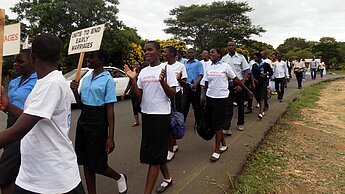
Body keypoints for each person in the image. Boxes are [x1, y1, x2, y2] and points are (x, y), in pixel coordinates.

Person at [0, 33, 84, 193]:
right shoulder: (46, 82)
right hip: (33, 176)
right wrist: (9, 106)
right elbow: (31, 118)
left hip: (52, 180)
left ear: (33, 56)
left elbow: (18, 130)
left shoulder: (51, 84)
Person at [70, 49, 128, 194]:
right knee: (85, 161)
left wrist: (111, 136)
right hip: (84, 120)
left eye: (91, 57)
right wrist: (75, 92)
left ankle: (119, 177)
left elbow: (110, 109)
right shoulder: (86, 78)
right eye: (88, 57)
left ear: (101, 60)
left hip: (98, 122)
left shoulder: (107, 80)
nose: (88, 59)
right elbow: (82, 105)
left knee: (97, 164)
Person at [124, 41, 178, 194]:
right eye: (145, 50)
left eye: (150, 50)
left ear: (158, 51)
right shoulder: (143, 72)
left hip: (161, 116)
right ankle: (167, 177)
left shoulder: (167, 69)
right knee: (155, 151)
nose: (146, 53)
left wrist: (162, 81)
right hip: (147, 114)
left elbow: (173, 94)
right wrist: (133, 80)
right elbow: (139, 97)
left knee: (154, 156)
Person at [204, 48, 253, 162]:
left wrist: (247, 90)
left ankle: (216, 150)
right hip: (210, 98)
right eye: (210, 52)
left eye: (213, 52)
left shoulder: (225, 66)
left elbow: (236, 80)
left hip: (222, 99)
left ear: (219, 55)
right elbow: (206, 83)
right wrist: (205, 98)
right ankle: (224, 145)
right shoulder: (208, 67)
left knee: (218, 125)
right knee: (213, 123)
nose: (211, 54)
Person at [0, 49, 37, 194]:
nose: (16, 64)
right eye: (15, 61)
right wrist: (3, 105)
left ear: (32, 62)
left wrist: (8, 105)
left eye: (20, 61)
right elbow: (7, 107)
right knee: (15, 175)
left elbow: (33, 114)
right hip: (11, 125)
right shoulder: (14, 82)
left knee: (4, 175)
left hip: (25, 128)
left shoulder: (38, 82)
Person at [163, 46, 187, 161]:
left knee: (174, 120)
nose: (163, 54)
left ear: (172, 54)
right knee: (168, 121)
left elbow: (184, 83)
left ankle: (171, 147)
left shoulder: (180, 66)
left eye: (165, 52)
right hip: (165, 96)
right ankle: (174, 143)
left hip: (176, 95)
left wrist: (179, 79)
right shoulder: (163, 66)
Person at [221, 41, 249, 134]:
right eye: (229, 46)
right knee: (228, 106)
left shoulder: (241, 57)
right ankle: (227, 127)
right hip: (228, 84)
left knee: (240, 105)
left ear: (235, 47)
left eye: (232, 45)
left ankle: (240, 123)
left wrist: (242, 85)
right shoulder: (224, 58)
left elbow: (246, 71)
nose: (231, 47)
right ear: (227, 47)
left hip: (239, 84)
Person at [182, 48, 204, 128]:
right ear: (187, 54)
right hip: (187, 86)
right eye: (189, 53)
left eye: (192, 52)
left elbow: (201, 74)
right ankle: (182, 123)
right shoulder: (185, 64)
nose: (190, 54)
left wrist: (196, 83)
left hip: (195, 86)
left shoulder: (198, 63)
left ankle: (199, 123)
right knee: (184, 105)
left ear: (194, 54)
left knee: (196, 106)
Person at [251, 51, 273, 119]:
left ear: (259, 57)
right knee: (257, 97)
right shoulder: (254, 65)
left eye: (255, 57)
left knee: (262, 98)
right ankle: (263, 107)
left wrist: (266, 74)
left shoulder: (265, 64)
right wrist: (253, 81)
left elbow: (271, 72)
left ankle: (261, 112)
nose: (254, 58)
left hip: (263, 82)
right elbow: (251, 74)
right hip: (256, 83)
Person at [122, 61, 142, 127]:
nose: (136, 66)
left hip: (141, 93)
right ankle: (137, 121)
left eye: (137, 64)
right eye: (134, 65)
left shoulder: (142, 73)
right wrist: (124, 93)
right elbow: (129, 84)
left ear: (140, 66)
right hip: (133, 93)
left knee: (140, 106)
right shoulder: (132, 74)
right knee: (134, 107)